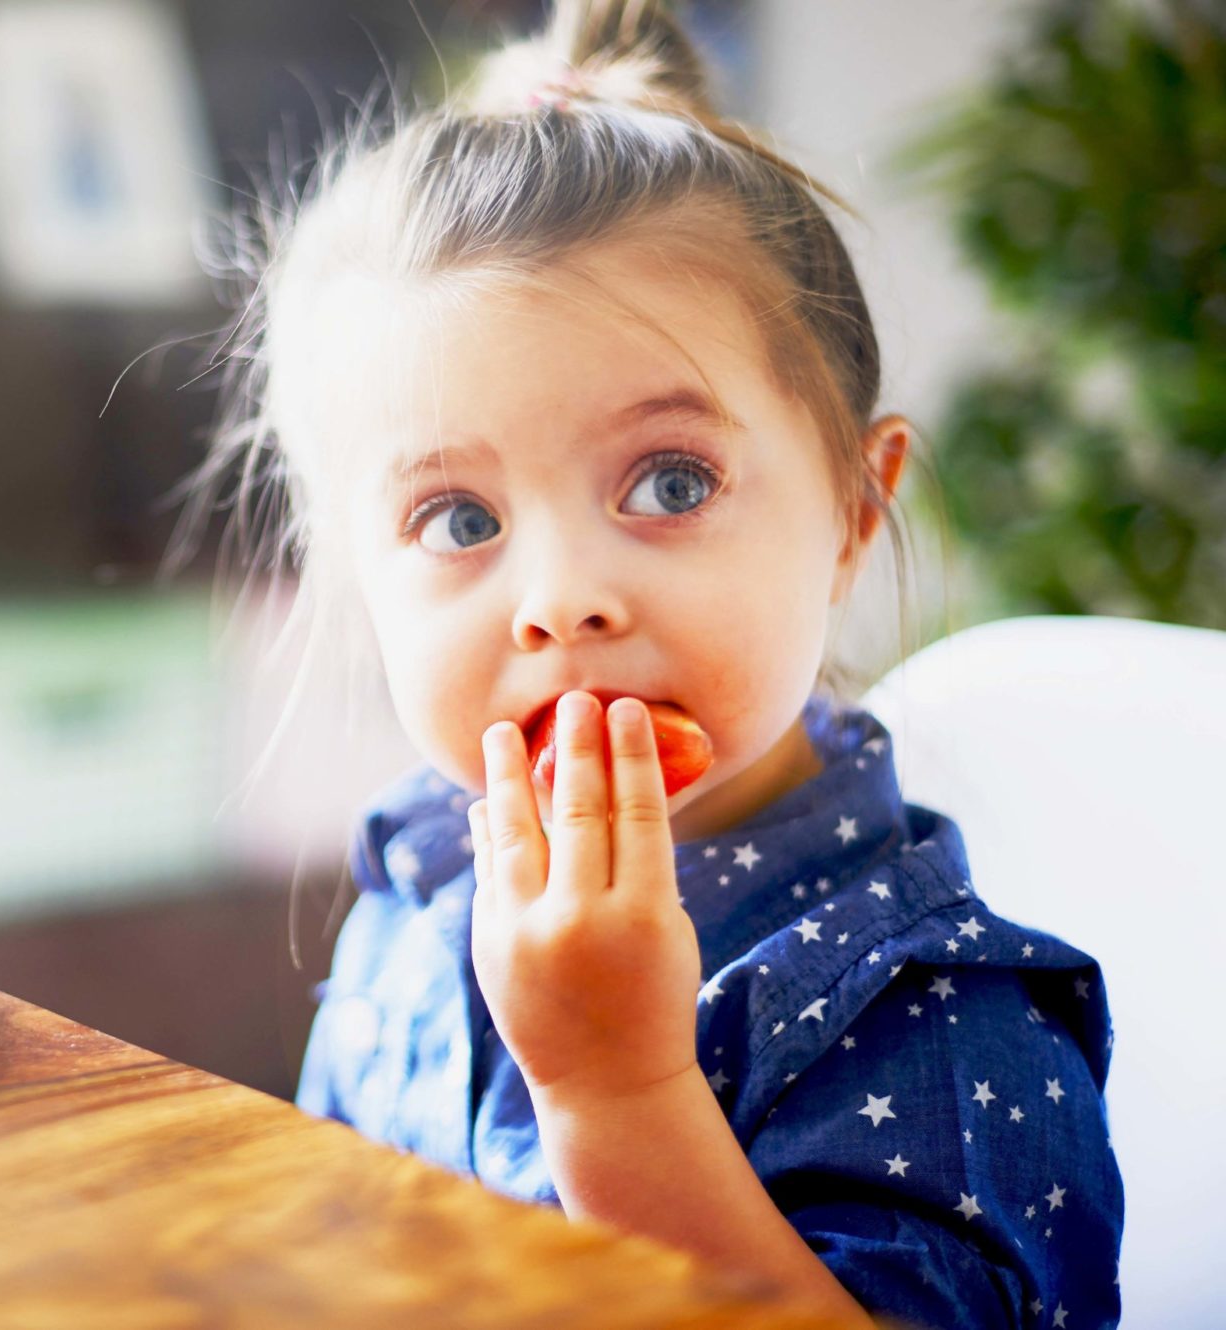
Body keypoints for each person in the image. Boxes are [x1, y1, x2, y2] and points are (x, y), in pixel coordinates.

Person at [183, 1, 1124, 1325]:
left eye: (669, 482)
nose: (561, 600)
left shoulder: (942, 1027)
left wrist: (617, 1093)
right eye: (460, 521)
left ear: (855, 513)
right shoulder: (413, 885)